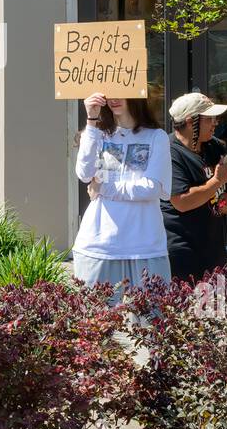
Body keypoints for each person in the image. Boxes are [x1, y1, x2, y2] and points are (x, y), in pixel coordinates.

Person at [73, 92, 173, 301]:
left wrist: (104, 188)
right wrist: (91, 120)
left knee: (153, 325)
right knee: (93, 326)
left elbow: (151, 187)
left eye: (122, 92)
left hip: (145, 245)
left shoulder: (156, 137)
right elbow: (84, 174)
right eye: (109, 93)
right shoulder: (96, 134)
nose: (114, 99)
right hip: (98, 244)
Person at [162, 92, 227, 282]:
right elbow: (181, 201)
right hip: (182, 254)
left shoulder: (215, 146)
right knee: (186, 311)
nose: (215, 123)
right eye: (210, 119)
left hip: (215, 250)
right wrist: (217, 181)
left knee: (220, 309)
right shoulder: (169, 151)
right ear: (191, 122)